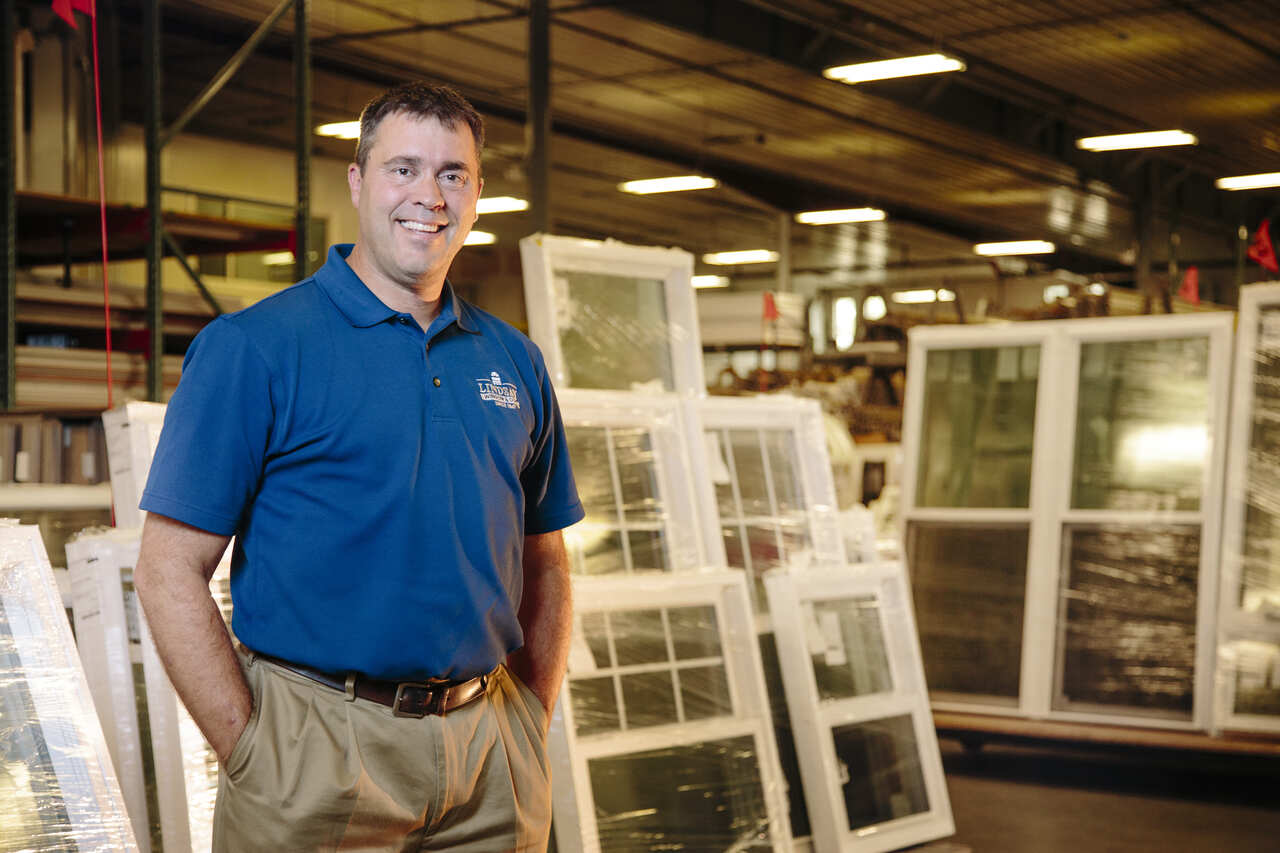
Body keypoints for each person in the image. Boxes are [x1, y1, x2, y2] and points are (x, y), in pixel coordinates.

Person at [134, 81, 583, 852]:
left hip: (490, 758)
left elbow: (544, 557)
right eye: (403, 168)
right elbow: (168, 570)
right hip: (315, 750)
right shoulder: (257, 349)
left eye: (453, 175)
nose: (429, 197)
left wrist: (526, 724)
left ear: (477, 195)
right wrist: (252, 751)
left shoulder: (515, 360)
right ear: (357, 180)